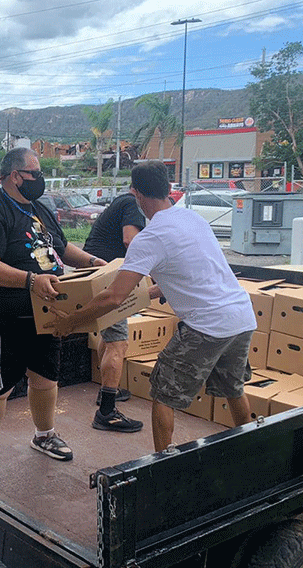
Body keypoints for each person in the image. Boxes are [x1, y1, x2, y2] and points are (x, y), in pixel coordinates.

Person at [47, 162, 256, 452]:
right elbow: (189, 275)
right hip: (241, 317)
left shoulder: (150, 237)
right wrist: (150, 292)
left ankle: (163, 462)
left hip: (206, 326)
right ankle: (252, 448)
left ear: (136, 193)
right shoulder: (192, 219)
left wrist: (71, 322)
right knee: (234, 389)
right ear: (169, 189)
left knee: (163, 394)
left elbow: (113, 297)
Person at [0, 147, 105, 461]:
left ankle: (44, 435)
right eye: (35, 174)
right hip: (5, 317)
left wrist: (95, 264)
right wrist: (30, 280)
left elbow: (63, 249)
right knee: (0, 387)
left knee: (46, 376)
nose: (40, 180)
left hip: (47, 313)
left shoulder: (40, 207)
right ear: (15, 176)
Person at [82, 192, 146, 433]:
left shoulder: (121, 201)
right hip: (107, 275)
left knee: (109, 338)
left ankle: (107, 389)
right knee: (118, 342)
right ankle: (107, 411)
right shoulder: (132, 203)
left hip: (95, 273)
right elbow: (131, 240)